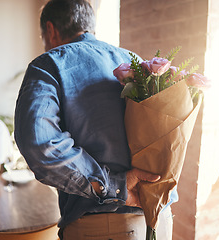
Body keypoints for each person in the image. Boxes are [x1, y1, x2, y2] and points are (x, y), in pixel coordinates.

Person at [14, 0, 175, 239]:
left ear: (50, 30)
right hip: (161, 217)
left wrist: (113, 186)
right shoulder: (135, 62)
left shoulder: (49, 64)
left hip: (105, 227)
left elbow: (40, 143)